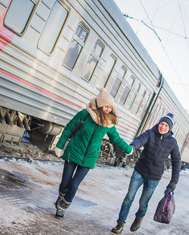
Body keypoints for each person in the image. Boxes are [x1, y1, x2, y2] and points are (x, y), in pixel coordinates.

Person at [53, 88, 133, 219]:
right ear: (100, 105)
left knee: (74, 185)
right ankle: (61, 197)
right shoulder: (85, 114)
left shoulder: (108, 123)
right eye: (106, 106)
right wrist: (60, 145)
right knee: (65, 183)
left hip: (89, 157)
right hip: (73, 152)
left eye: (110, 107)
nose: (109, 110)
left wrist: (128, 148)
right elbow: (69, 128)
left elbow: (115, 138)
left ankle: (62, 207)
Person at [111, 113, 181, 234]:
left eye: (166, 125)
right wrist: (132, 147)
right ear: (158, 124)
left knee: (143, 203)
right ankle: (120, 223)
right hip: (140, 171)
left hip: (154, 177)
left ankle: (139, 217)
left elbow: (177, 161)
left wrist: (174, 181)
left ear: (169, 128)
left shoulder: (173, 142)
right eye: (161, 124)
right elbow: (139, 141)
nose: (163, 127)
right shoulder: (150, 133)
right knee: (129, 197)